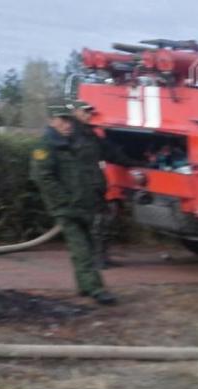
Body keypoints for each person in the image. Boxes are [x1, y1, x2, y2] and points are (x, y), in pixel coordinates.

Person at [30, 104, 117, 305]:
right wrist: (64, 201)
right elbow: (42, 177)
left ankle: (84, 286)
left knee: (86, 246)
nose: (67, 124)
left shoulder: (72, 142)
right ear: (52, 121)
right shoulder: (45, 146)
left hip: (83, 205)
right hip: (67, 208)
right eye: (62, 120)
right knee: (82, 248)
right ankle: (96, 289)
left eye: (69, 120)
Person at [67, 99, 138, 269]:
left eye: (89, 112)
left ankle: (100, 257)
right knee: (92, 223)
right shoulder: (69, 135)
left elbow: (111, 153)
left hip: (95, 186)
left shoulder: (91, 134)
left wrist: (135, 163)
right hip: (80, 187)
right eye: (84, 111)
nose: (88, 115)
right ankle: (91, 259)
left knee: (102, 221)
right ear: (75, 112)